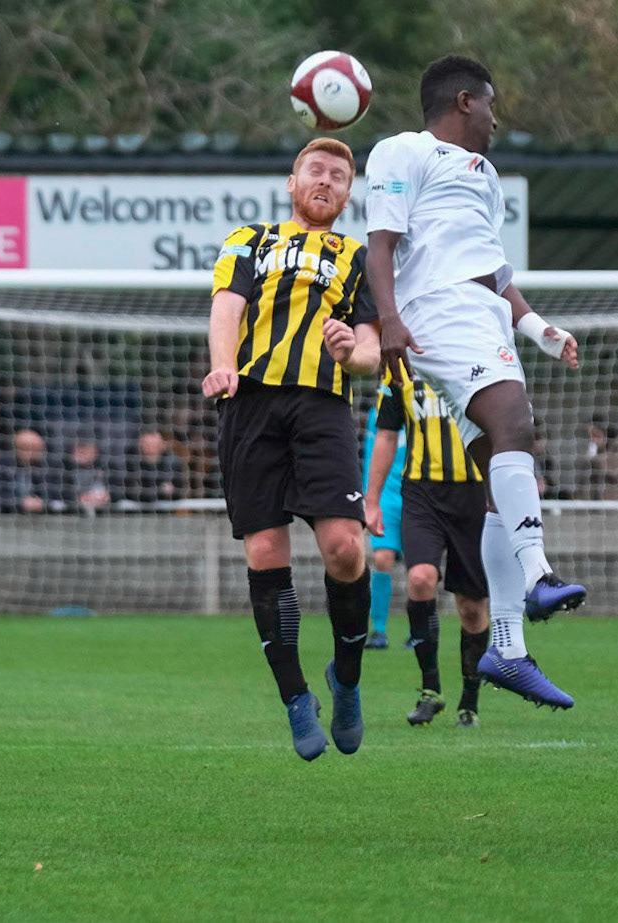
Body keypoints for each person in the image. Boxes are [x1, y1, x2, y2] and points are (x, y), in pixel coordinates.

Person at [365, 54, 585, 710]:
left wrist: (542, 329)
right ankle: (540, 574)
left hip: (483, 315)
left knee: (498, 476)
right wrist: (390, 321)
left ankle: (508, 649)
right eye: (491, 105)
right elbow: (380, 245)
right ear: (464, 101)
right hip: (439, 310)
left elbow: (496, 274)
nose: (496, 119)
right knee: (517, 424)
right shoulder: (404, 150)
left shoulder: (486, 176)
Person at [202, 137, 381, 763]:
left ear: (348, 193)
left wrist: (349, 351)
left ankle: (348, 678)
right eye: (315, 170)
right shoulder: (248, 240)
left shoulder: (359, 259)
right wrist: (224, 368)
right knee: (266, 553)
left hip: (322, 407)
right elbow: (227, 307)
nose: (326, 180)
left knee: (344, 548)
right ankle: (295, 699)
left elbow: (370, 351)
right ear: (292, 182)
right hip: (250, 406)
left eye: (338, 174)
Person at [367, 371, 491, 728]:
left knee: (471, 607)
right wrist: (372, 499)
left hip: (476, 493)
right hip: (421, 492)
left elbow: (506, 425)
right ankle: (430, 690)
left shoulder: (474, 354)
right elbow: (387, 434)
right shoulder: (399, 366)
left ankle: (469, 700)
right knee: (420, 579)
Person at [360, 383, 408, 649]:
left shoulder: (423, 409)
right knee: (382, 558)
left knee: (420, 568)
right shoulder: (378, 412)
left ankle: (418, 631)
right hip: (387, 495)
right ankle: (378, 630)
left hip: (416, 490)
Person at [0, 428, 65, 514]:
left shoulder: (49, 468)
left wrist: (42, 502)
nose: (38, 453)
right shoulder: (0, 467)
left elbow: (59, 493)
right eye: (31, 448)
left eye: (40, 449)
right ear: (18, 449)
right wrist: (20, 502)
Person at [123, 429, 186, 505]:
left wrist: (172, 492)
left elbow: (180, 492)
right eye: (147, 445)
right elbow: (132, 493)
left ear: (162, 445)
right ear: (140, 446)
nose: (151, 449)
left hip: (166, 512)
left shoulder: (173, 463)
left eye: (155, 445)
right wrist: (161, 491)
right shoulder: (132, 464)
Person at [67, 437, 112, 514]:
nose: (83, 452)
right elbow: (61, 494)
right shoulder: (66, 470)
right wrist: (78, 498)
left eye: (86, 448)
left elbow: (118, 491)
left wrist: (108, 496)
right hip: (74, 510)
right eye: (79, 449)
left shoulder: (106, 467)